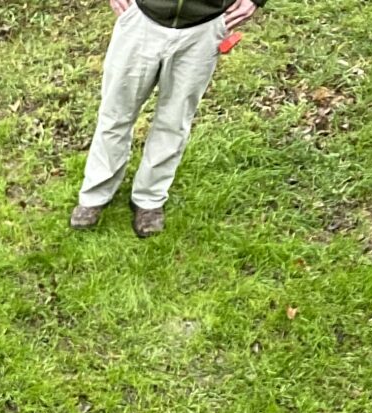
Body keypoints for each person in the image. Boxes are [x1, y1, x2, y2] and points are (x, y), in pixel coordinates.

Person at [70, 0, 258, 237]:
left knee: (174, 120)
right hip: (141, 15)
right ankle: (95, 193)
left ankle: (149, 200)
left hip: (204, 25)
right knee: (116, 113)